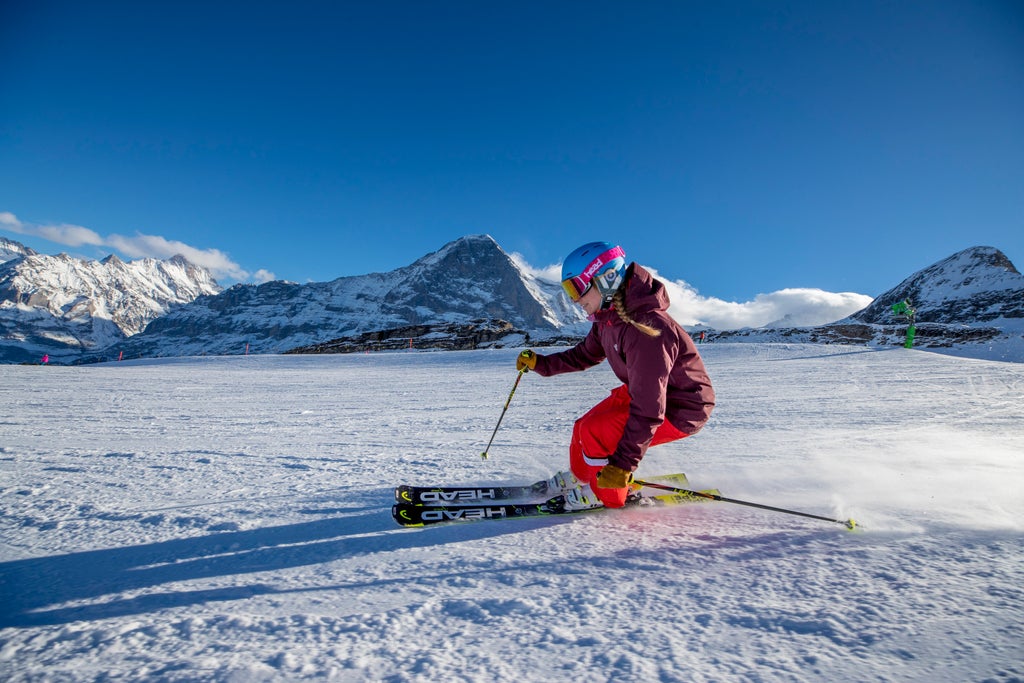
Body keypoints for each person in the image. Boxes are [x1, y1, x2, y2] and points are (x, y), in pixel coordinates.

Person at [516, 242, 715, 509]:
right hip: (648, 392)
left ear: (607, 278)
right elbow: (583, 355)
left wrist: (623, 464)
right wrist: (540, 364)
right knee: (583, 428)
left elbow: (648, 410)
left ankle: (607, 493)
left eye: (577, 288)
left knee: (598, 434)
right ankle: (583, 478)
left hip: (682, 407)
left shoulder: (648, 329)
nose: (575, 299)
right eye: (568, 291)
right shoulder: (608, 320)